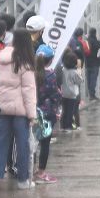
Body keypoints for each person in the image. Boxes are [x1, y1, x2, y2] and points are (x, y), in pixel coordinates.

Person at [0, 28, 38, 189]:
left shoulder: (2, 60)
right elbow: (28, 91)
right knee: (23, 145)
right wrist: (32, 115)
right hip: (20, 111)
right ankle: (23, 180)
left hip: (2, 109)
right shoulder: (26, 63)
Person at [34, 45, 61, 183]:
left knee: (31, 143)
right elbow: (55, 95)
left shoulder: (30, 73)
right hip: (46, 114)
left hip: (31, 112)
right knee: (45, 143)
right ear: (50, 60)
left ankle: (29, 170)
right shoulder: (50, 75)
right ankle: (41, 172)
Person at [60, 49, 84, 130]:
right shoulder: (74, 72)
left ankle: (63, 126)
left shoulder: (63, 70)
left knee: (64, 110)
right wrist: (79, 71)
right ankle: (68, 126)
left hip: (63, 93)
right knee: (70, 111)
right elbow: (79, 81)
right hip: (72, 94)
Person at [84, 27, 100, 99]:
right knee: (93, 79)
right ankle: (92, 94)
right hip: (95, 63)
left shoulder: (86, 41)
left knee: (88, 79)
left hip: (87, 63)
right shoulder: (97, 42)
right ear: (95, 33)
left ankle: (90, 93)